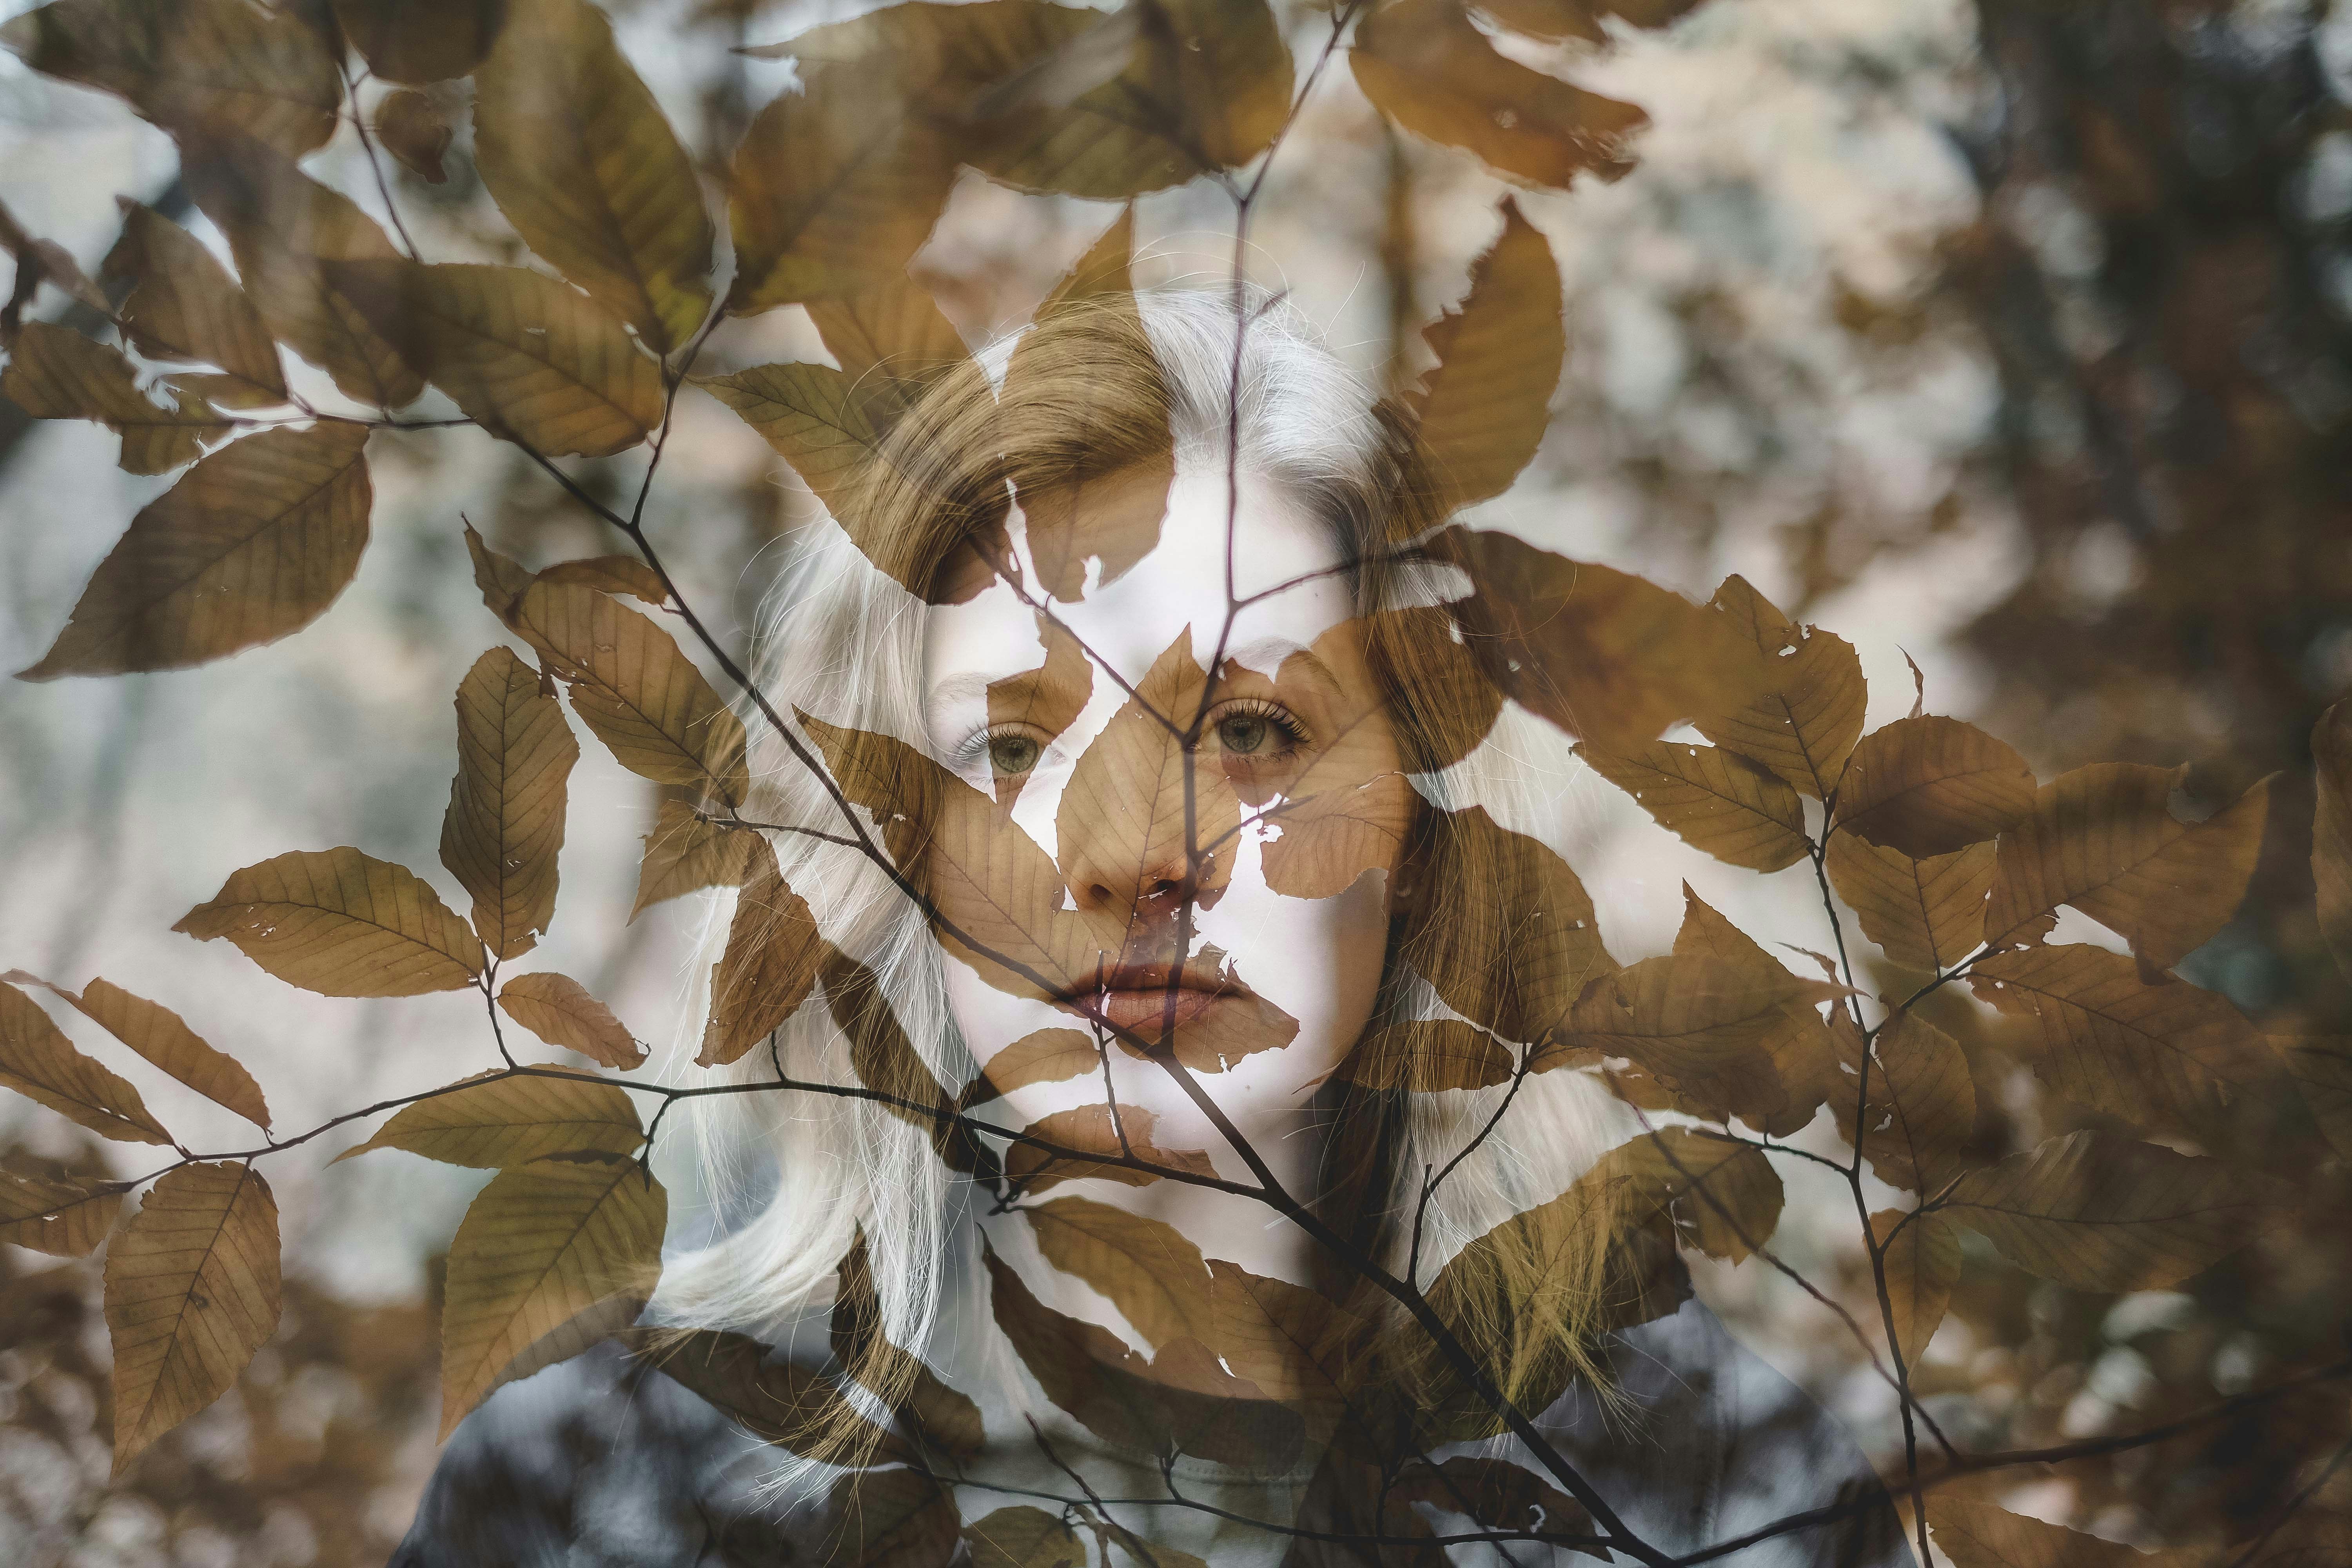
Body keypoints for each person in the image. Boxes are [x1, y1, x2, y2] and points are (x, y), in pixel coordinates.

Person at [394, 289, 1912, 1566]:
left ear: (1429, 832)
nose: (1132, 853)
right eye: (1010, 747)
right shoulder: (599, 1499)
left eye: (1252, 729)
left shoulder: (1729, 1501)